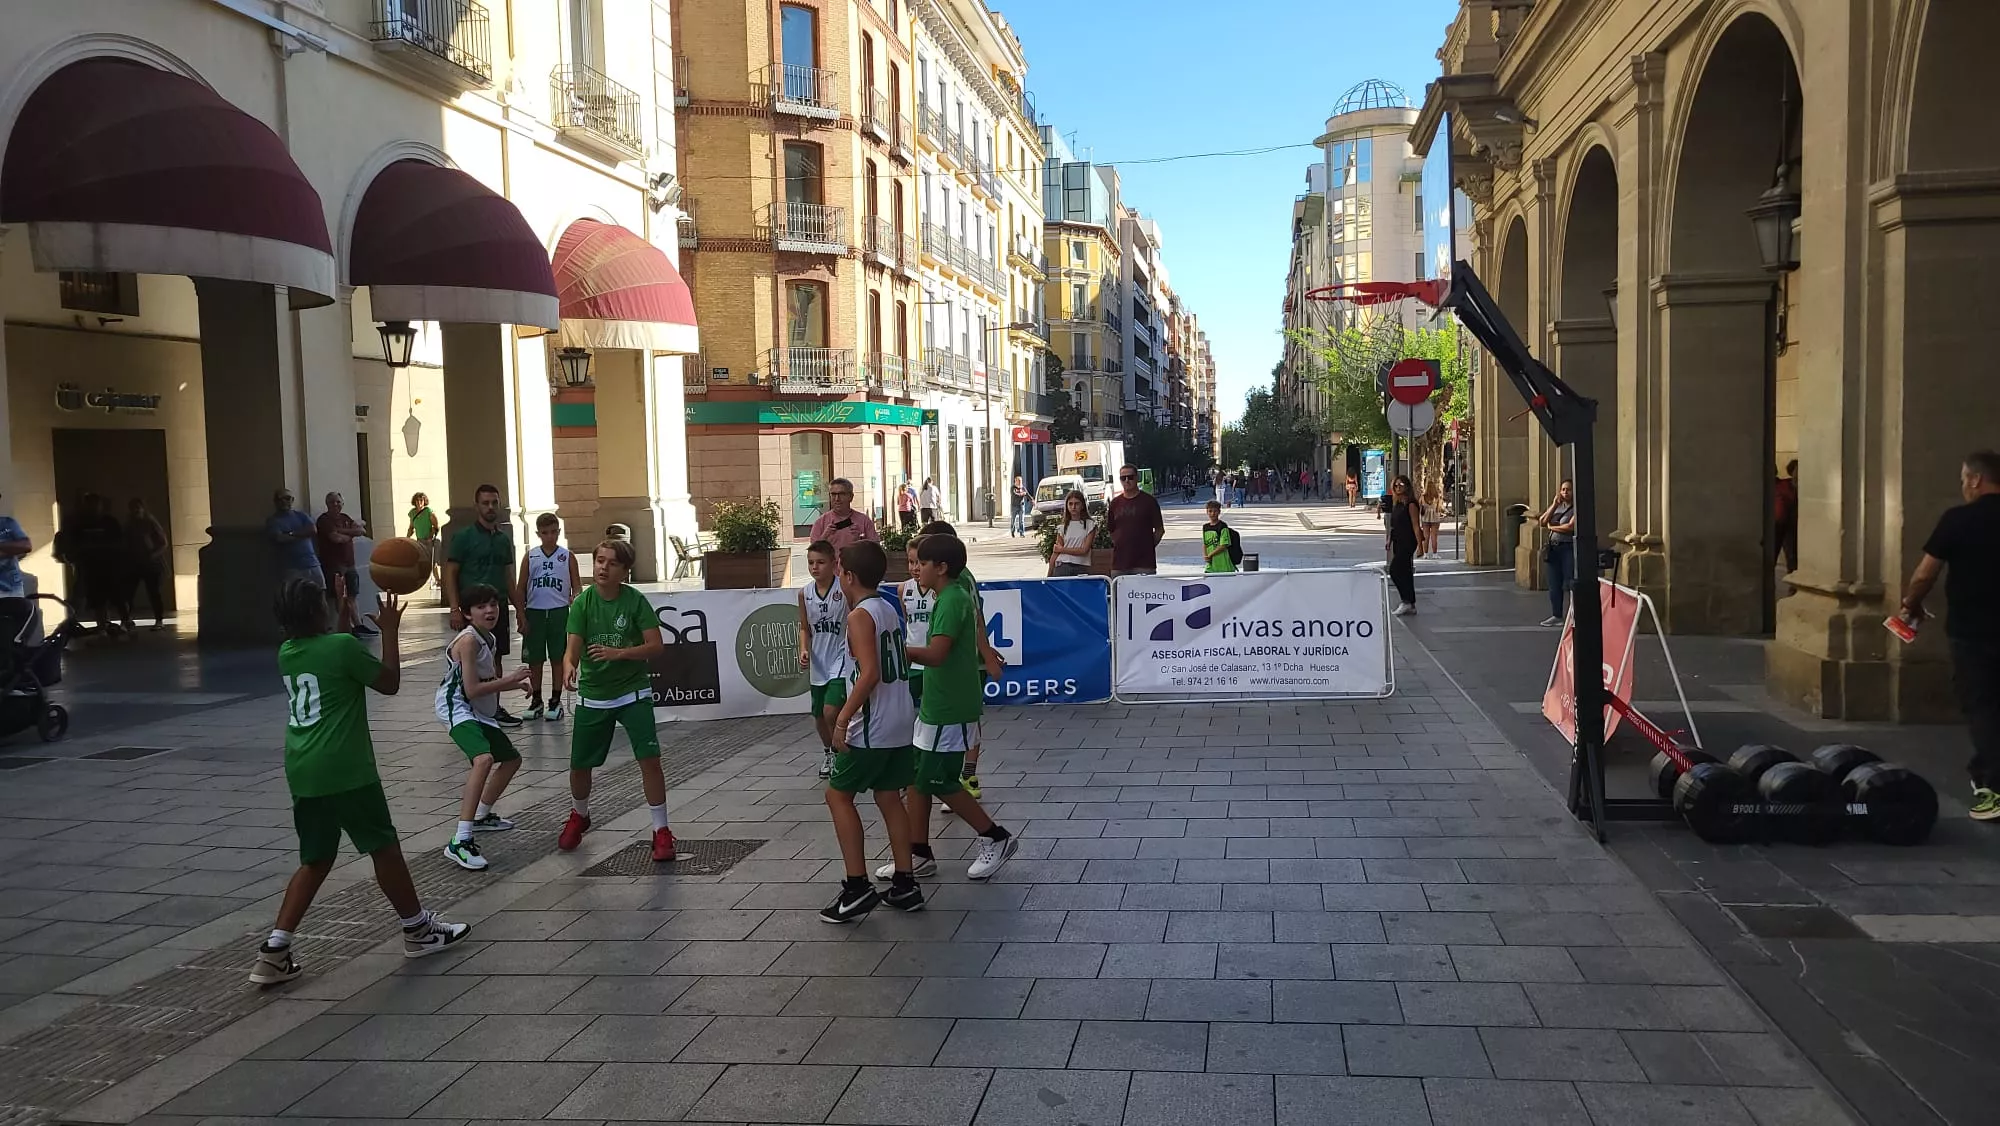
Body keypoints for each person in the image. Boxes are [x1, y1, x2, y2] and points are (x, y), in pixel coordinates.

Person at [248, 581, 468, 985]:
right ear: (318, 612)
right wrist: (388, 631)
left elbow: (332, 654)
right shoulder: (341, 649)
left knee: (315, 860)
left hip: (302, 767)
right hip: (345, 768)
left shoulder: (288, 653)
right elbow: (389, 683)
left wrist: (345, 612)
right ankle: (418, 930)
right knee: (384, 849)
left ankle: (274, 951)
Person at [879, 532, 1017, 881]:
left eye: (921, 564)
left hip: (951, 705)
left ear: (941, 568)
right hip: (937, 702)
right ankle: (919, 852)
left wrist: (895, 648)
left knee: (936, 778)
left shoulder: (953, 599)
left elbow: (937, 655)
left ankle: (995, 836)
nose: (915, 570)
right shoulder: (946, 595)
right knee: (917, 777)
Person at [819, 540, 926, 922]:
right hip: (899, 719)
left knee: (838, 796)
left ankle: (857, 885)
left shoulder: (860, 616)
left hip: (873, 724)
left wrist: (844, 719)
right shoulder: (888, 608)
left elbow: (869, 674)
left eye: (838, 568)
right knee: (888, 797)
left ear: (847, 575)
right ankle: (905, 882)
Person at [1895, 450, 2000, 821]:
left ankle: (1993, 789)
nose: (1963, 487)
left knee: (1983, 705)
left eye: (1963, 479)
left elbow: (1925, 573)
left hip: (1973, 630)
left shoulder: (1959, 520)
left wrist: (1912, 603)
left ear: (1975, 479)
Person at [558, 539, 673, 858]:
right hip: (594, 695)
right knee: (580, 766)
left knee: (649, 760)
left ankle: (661, 830)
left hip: (633, 691)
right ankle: (579, 814)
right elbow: (572, 649)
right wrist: (569, 667)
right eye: (599, 561)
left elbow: (656, 645)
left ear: (625, 571)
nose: (603, 567)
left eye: (611, 563)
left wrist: (620, 653)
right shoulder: (582, 604)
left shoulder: (635, 601)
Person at [435, 584, 532, 870]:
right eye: (480, 606)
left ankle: (481, 815)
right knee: (484, 759)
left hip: (474, 708)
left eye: (492, 604)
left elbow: (483, 686)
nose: (489, 610)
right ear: (467, 614)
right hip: (455, 706)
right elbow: (472, 688)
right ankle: (460, 841)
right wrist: (512, 678)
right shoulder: (468, 641)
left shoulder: (486, 637)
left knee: (511, 760)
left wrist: (512, 684)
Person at [444, 485, 520, 726]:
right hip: (471, 610)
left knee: (495, 656)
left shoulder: (502, 539)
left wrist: (521, 611)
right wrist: (455, 608)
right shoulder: (464, 537)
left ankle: (493, 708)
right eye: (485, 503)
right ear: (477, 506)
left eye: (494, 503)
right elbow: (451, 573)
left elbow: (509, 577)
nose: (490, 507)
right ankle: (465, 708)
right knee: (469, 657)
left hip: (496, 608)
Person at [516, 513, 578, 721]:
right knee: (535, 658)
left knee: (557, 656)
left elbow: (577, 587)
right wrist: (520, 614)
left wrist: (574, 598)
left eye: (553, 532)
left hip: (559, 611)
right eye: (545, 533)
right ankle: (536, 699)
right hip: (535, 611)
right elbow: (521, 587)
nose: (549, 536)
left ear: (559, 532)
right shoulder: (531, 556)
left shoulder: (567, 556)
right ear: (538, 534)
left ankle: (555, 698)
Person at [798, 541, 848, 781]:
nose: (815, 567)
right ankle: (829, 752)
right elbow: (804, 628)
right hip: (818, 660)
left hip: (841, 658)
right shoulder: (804, 593)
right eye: (810, 563)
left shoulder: (845, 589)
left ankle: (840, 752)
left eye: (820, 562)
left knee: (831, 711)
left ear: (834, 564)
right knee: (818, 714)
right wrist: (803, 649)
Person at [316, 492, 369, 636]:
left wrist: (342, 531)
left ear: (342, 503)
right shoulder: (324, 520)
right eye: (332, 502)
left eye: (338, 502)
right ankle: (346, 626)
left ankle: (358, 625)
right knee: (339, 597)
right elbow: (336, 538)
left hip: (349, 563)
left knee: (352, 594)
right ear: (327, 504)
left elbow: (361, 530)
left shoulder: (345, 518)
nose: (335, 504)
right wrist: (350, 533)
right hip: (334, 564)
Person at [1106, 464, 1164, 577]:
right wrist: (1120, 543)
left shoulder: (1149, 501)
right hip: (1120, 564)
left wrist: (1148, 546)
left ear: (1137, 478)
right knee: (1120, 593)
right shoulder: (1115, 503)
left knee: (1146, 593)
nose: (1127, 480)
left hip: (1145, 564)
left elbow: (1159, 530)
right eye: (1123, 478)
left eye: (1130, 477)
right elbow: (1111, 530)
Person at [1536, 479, 1577, 627]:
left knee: (1571, 582)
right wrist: (1554, 505)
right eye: (1563, 489)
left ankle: (1575, 615)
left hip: (1567, 547)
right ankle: (1556, 615)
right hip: (1554, 548)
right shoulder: (1558, 507)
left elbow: (1570, 527)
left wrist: (1552, 527)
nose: (1565, 492)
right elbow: (1542, 521)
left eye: (1569, 490)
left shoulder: (1576, 508)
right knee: (1554, 584)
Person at [124, 498, 169, 631]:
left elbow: (163, 542)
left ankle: (159, 620)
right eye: (133, 508)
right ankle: (127, 619)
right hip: (135, 563)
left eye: (138, 507)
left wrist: (152, 555)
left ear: (143, 508)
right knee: (129, 593)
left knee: (154, 592)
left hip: (151, 564)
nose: (136, 510)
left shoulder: (150, 523)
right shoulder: (129, 525)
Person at [268, 489, 320, 597]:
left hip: (311, 563)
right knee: (294, 598)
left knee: (319, 594)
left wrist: (291, 534)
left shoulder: (301, 515)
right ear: (275, 502)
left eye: (287, 498)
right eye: (280, 499)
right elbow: (280, 538)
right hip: (291, 566)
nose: (283, 501)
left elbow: (312, 530)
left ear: (292, 500)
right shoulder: (274, 521)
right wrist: (302, 533)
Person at [808, 477, 878, 551]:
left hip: (856, 562)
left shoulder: (864, 521)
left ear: (851, 497)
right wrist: (824, 536)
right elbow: (813, 551)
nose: (837, 499)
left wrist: (860, 539)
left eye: (841, 494)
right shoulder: (821, 522)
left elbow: (876, 550)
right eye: (833, 494)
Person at [1385, 475, 1421, 617]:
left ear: (1407, 486)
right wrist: (1389, 539)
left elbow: (1416, 525)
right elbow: (1394, 525)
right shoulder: (1397, 504)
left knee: (1395, 570)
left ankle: (1406, 601)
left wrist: (1421, 546)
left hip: (1408, 541)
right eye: (1395, 485)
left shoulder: (1411, 504)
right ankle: (1410, 603)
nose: (1398, 487)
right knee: (1405, 572)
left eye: (1401, 485)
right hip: (1398, 541)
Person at [0, 498, 32, 646]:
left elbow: (25, 545)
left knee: (14, 637)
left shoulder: (8, 523)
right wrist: (9, 549)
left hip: (12, 591)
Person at [1048, 491, 1096, 577]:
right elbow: (1056, 551)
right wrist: (1049, 575)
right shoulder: (1062, 527)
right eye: (1070, 504)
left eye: (1076, 504)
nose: (1073, 507)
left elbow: (1084, 550)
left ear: (1082, 506)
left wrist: (1063, 550)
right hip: (1062, 565)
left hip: (1081, 567)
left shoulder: (1089, 525)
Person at [406, 493, 441, 594]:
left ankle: (438, 580)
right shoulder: (412, 513)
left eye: (421, 500)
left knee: (433, 562)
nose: (419, 503)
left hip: (429, 541)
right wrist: (407, 538)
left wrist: (431, 536)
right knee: (421, 561)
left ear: (424, 501)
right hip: (420, 540)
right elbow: (411, 527)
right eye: (417, 500)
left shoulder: (429, 512)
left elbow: (436, 526)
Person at [1775, 459, 1799, 573]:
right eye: (1796, 471)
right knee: (1789, 553)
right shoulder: (1783, 485)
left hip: (1793, 525)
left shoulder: (1802, 489)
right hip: (1780, 524)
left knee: (1793, 555)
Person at [1201, 500, 1237, 574]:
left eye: (1215, 511)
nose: (1212, 513)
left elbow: (1223, 545)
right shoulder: (1205, 527)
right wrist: (1206, 556)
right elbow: (1205, 544)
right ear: (1207, 512)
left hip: (1223, 564)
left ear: (1219, 512)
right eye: (1210, 511)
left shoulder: (1222, 526)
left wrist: (1210, 555)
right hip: (1211, 564)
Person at [1421, 486, 1445, 558]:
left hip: (1425, 518)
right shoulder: (1437, 497)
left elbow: (1419, 506)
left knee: (1426, 537)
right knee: (1434, 537)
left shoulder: (1423, 497)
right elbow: (1439, 508)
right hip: (1435, 518)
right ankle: (1435, 554)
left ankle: (1425, 554)